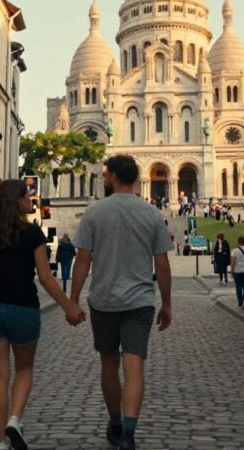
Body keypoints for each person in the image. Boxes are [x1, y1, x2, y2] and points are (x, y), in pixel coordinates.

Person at [0, 179, 86, 450]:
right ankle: (15, 419)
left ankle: (0, 441)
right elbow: (45, 278)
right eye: (27, 196)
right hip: (24, 309)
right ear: (18, 200)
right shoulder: (32, 233)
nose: (31, 200)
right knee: (24, 369)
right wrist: (70, 307)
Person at [70, 154, 173, 450]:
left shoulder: (94, 211)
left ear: (114, 176)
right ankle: (128, 432)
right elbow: (162, 264)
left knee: (108, 364)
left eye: (105, 175)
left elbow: (83, 259)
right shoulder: (152, 213)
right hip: (140, 302)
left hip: (103, 300)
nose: (103, 178)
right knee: (134, 367)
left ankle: (115, 421)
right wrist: (166, 304)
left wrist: (73, 300)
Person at [230, 237, 244, 309]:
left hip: (238, 272)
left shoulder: (235, 251)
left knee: (238, 287)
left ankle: (240, 301)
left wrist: (232, 271)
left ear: (238, 242)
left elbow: (233, 262)